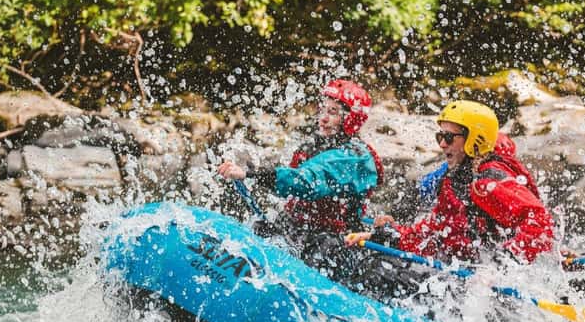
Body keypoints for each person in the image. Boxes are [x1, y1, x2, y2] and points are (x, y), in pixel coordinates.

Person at [345, 100, 554, 265]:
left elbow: (540, 222)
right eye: (439, 136)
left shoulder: (488, 182)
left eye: (449, 137)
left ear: (474, 139)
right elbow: (433, 234)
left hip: (495, 280)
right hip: (465, 269)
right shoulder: (454, 180)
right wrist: (383, 237)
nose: (442, 144)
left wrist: (504, 263)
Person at [217, 79, 382, 236]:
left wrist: (251, 174)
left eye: (333, 112)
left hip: (333, 238)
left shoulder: (354, 157)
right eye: (322, 109)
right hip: (297, 226)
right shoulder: (312, 146)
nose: (323, 118)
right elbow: (290, 188)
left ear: (350, 119)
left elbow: (307, 182)